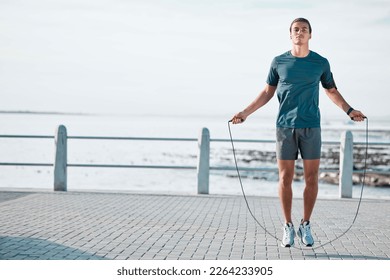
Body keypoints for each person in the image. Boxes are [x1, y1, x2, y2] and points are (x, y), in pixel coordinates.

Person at [231, 18, 366, 247]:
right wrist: (245, 112)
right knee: (285, 178)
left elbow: (331, 90)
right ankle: (287, 226)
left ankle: (305, 224)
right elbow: (267, 92)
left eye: (304, 30)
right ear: (290, 35)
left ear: (310, 35)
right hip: (284, 127)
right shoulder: (278, 62)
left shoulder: (320, 63)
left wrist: (349, 110)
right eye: (296, 30)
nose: (300, 33)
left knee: (312, 178)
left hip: (311, 126)